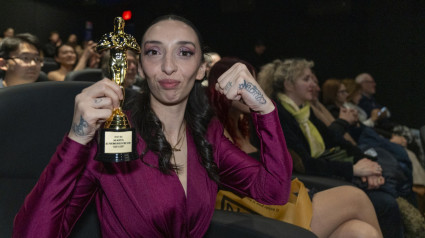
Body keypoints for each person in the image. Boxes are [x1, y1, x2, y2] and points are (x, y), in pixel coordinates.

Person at [13, 15, 292, 237]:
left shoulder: (208, 134)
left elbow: (274, 192)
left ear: (201, 69)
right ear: (143, 66)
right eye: (154, 52)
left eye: (183, 52)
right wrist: (77, 138)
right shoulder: (111, 135)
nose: (168, 66)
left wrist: (265, 109)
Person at [207, 57, 382, 238]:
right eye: (244, 83)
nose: (251, 90)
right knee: (357, 197)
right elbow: (296, 165)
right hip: (257, 211)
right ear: (221, 85)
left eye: (253, 83)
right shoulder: (216, 130)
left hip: (282, 197)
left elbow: (334, 139)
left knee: (362, 232)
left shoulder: (248, 123)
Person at [257, 58, 403, 238]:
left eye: (312, 79)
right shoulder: (277, 113)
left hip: (327, 172)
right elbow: (303, 164)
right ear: (288, 85)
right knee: (386, 201)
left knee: (367, 223)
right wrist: (354, 170)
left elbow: (336, 139)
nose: (313, 84)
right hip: (310, 182)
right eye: (306, 79)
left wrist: (367, 164)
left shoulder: (304, 111)